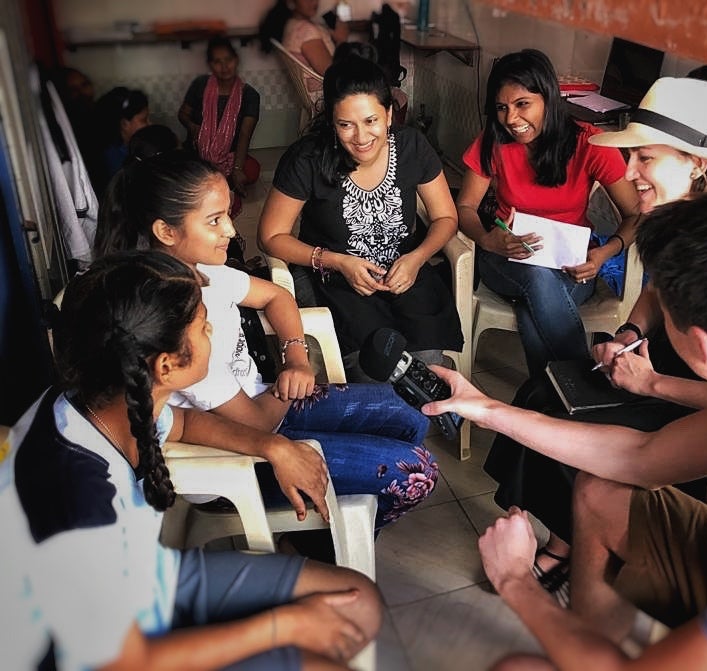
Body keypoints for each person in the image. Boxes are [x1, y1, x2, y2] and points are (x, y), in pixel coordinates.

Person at [424, 190, 707, 669]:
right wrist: (486, 408)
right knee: (601, 491)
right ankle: (590, 641)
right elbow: (642, 457)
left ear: (705, 349)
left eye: (664, 314)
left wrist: (515, 580)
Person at [2, 250, 381, 670]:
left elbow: (180, 423)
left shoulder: (108, 397)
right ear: (167, 365)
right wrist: (281, 626)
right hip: (103, 655)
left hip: (150, 580)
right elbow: (126, 661)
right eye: (203, 326)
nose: (212, 329)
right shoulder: (76, 494)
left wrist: (272, 446)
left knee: (355, 603)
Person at [482, 76, 707, 601]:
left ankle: (574, 541)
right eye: (631, 157)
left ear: (696, 164)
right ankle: (566, 536)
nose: (629, 172)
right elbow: (658, 294)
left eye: (646, 160)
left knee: (563, 413)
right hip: (658, 370)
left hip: (702, 409)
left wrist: (654, 384)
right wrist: (630, 332)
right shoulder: (672, 219)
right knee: (543, 390)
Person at [95, 151, 439, 529]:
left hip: (265, 407)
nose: (230, 229)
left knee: (412, 412)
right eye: (214, 220)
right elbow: (255, 423)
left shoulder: (204, 271)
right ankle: (322, 543)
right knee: (415, 472)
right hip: (236, 455)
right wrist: (284, 389)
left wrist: (297, 359)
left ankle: (338, 517)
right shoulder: (175, 326)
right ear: (166, 231)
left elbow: (277, 296)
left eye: (227, 214)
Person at [258, 55, 463, 379]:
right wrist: (337, 262)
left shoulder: (412, 146)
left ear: (389, 114)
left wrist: (417, 258)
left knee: (426, 367)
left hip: (403, 270)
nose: (361, 137)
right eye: (345, 125)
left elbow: (445, 218)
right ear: (331, 122)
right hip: (333, 278)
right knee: (373, 368)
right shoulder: (307, 159)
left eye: (371, 121)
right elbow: (270, 236)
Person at [456, 49, 641, 377]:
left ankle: (550, 399)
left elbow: (635, 214)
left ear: (549, 98)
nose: (511, 119)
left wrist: (603, 254)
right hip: (505, 260)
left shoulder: (589, 143)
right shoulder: (493, 143)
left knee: (535, 308)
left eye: (522, 104)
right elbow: (465, 207)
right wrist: (488, 240)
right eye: (502, 108)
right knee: (537, 278)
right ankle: (586, 385)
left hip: (571, 266)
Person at [178, 35, 262, 203]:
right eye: (217, 62)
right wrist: (193, 127)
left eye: (228, 60)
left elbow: (245, 134)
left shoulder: (250, 95)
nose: (224, 67)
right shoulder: (200, 85)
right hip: (198, 152)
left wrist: (237, 169)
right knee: (184, 170)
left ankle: (215, 177)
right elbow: (182, 114)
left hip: (229, 156)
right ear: (210, 65)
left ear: (236, 60)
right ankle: (210, 176)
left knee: (252, 170)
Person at [260, 0, 349, 105]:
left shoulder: (292, 24)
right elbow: (332, 73)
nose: (314, 2)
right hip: (326, 97)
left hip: (316, 97)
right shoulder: (306, 31)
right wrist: (341, 41)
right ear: (291, 2)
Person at [95, 85, 150, 192]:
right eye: (144, 120)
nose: (149, 124)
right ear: (125, 123)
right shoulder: (112, 158)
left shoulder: (129, 149)